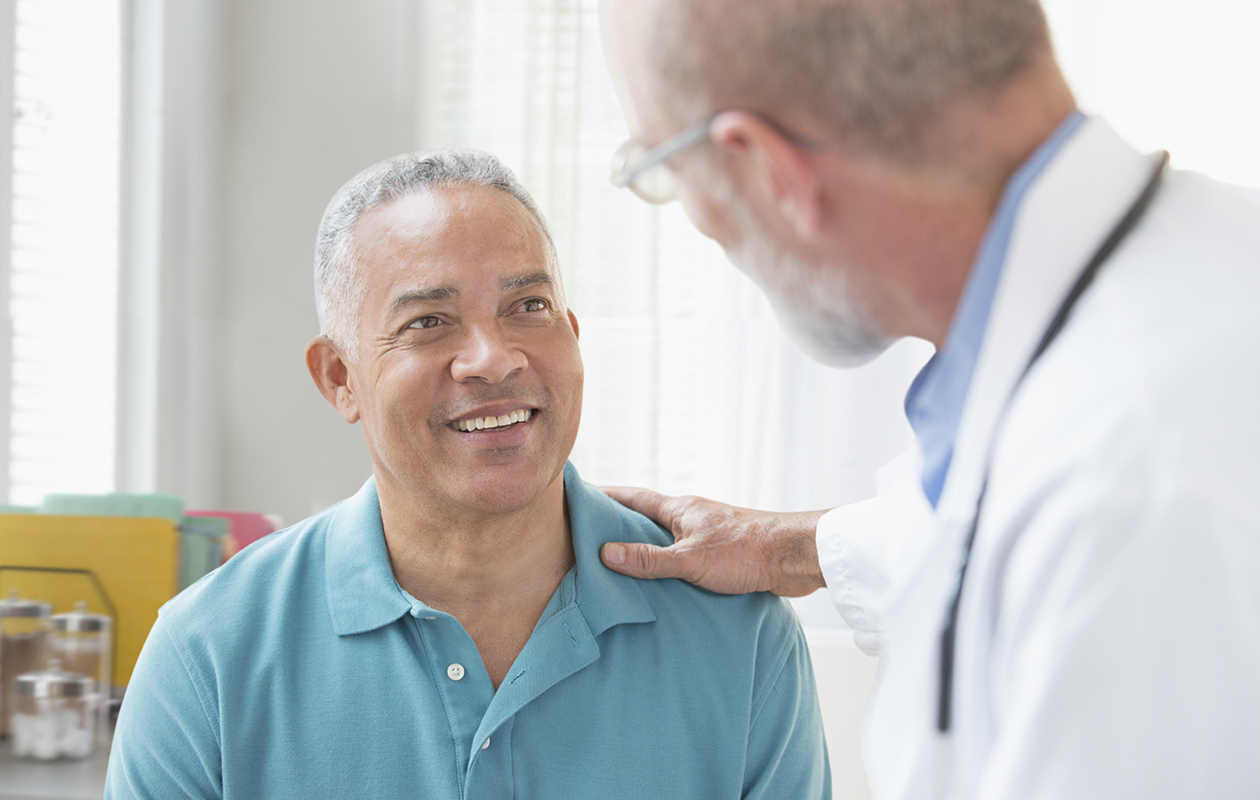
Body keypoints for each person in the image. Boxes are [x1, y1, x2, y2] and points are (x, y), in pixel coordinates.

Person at [597, 0, 1260, 798]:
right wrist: (786, 547)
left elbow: (1074, 523)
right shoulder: (1193, 279)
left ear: (766, 167)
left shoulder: (1133, 499)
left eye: (660, 168)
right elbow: (984, 521)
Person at [105, 150, 830, 799]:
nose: (494, 357)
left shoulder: (741, 634)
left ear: (573, 338)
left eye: (528, 307)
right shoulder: (207, 655)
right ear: (339, 379)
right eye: (428, 321)